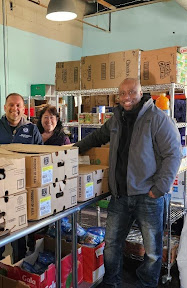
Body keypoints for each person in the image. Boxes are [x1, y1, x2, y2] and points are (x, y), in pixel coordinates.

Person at [74, 78, 181, 288]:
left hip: (147, 197)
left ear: (141, 93)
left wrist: (159, 188)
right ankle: (111, 282)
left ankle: (146, 284)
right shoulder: (116, 120)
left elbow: (173, 154)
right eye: (122, 93)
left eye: (131, 92)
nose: (126, 97)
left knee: (152, 251)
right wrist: (71, 150)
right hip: (120, 197)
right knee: (112, 245)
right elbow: (96, 138)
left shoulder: (157, 119)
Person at [0, 92, 42, 270]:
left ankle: (19, 268)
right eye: (11, 105)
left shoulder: (32, 130)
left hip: (22, 189)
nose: (14, 109)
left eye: (18, 105)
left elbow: (39, 157)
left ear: (23, 109)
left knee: (19, 231)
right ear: (4, 107)